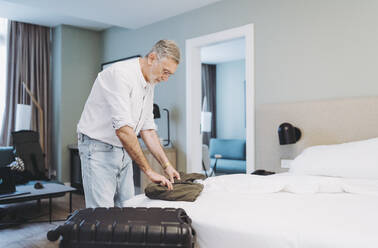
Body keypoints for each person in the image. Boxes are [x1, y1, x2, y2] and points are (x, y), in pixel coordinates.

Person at [77, 40, 181, 208]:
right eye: (165, 71)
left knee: (126, 210)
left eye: (170, 74)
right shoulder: (121, 74)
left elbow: (147, 128)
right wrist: (148, 170)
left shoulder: (150, 83)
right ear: (152, 58)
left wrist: (166, 165)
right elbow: (124, 130)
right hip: (98, 148)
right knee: (101, 216)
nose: (165, 78)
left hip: (123, 150)